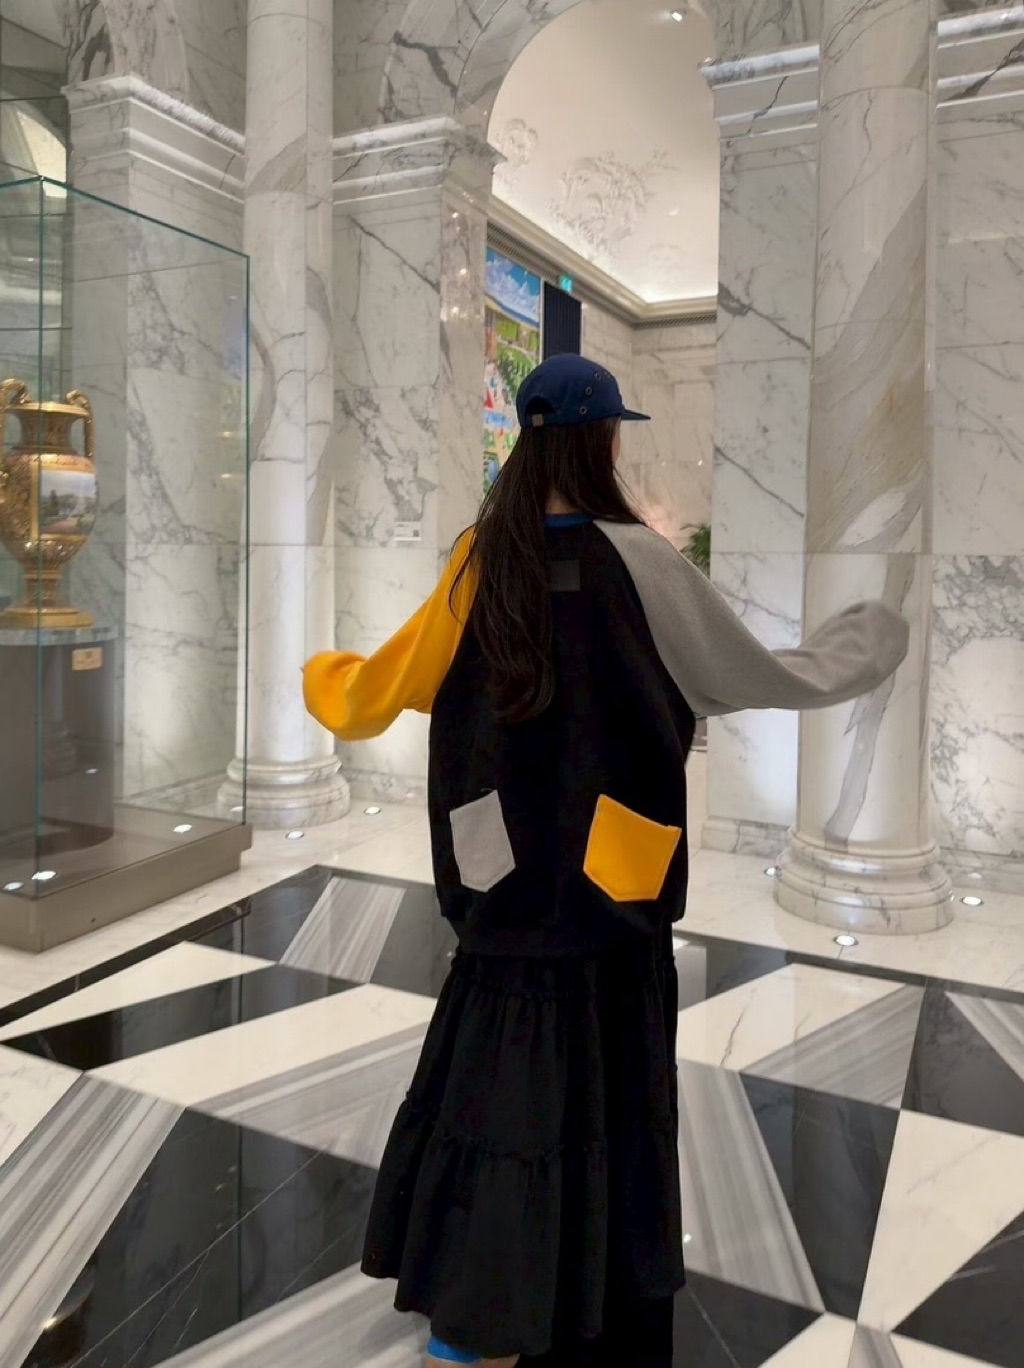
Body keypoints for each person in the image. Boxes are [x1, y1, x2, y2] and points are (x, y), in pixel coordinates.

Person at [303, 354, 909, 1368]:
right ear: (604, 441)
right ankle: (579, 1279)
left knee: (494, 1089)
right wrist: (866, 642)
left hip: (499, 886)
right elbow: (757, 674)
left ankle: (474, 1305)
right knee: (602, 1097)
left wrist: (321, 677)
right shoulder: (644, 563)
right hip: (611, 890)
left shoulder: (476, 561)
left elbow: (378, 690)